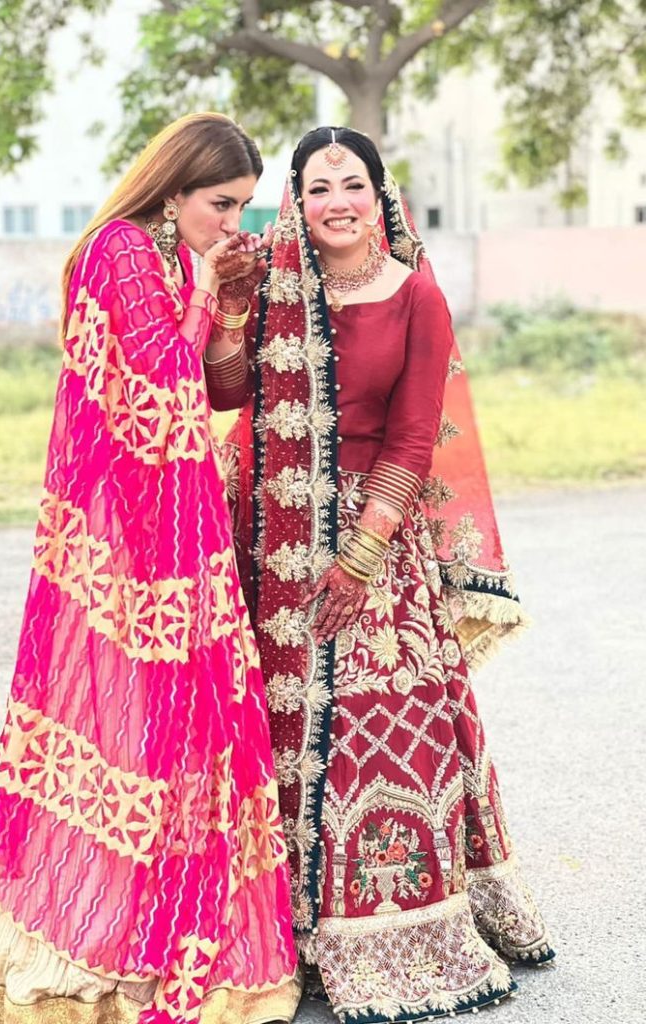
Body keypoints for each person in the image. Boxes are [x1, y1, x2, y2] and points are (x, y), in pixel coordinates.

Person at [0, 112, 299, 1024]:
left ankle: (162, 925)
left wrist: (218, 293)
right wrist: (209, 301)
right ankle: (121, 933)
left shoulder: (168, 254)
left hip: (176, 529)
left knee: (184, 733)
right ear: (175, 186)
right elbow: (160, 389)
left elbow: (196, 384)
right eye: (222, 204)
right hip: (137, 540)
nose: (232, 224)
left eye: (242, 209)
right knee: (148, 729)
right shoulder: (120, 249)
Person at [204, 126, 554, 1022]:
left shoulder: (417, 297)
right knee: (269, 727)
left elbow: (411, 434)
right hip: (273, 538)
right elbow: (228, 391)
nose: (335, 205)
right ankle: (281, 928)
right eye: (316, 189)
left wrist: (364, 551)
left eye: (350, 184)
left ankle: (388, 926)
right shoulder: (281, 283)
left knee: (378, 723)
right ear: (297, 201)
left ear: (380, 194)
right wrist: (236, 305)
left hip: (374, 540)